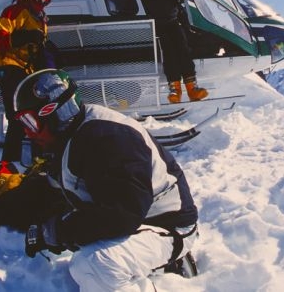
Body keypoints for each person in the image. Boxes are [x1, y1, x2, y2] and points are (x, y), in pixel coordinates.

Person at [14, 69, 199, 291]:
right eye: (22, 123)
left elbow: (122, 214)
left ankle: (164, 265)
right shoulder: (71, 135)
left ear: (58, 112)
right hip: (137, 217)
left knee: (95, 265)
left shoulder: (109, 138)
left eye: (30, 122)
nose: (28, 132)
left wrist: (60, 231)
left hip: (167, 225)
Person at [0, 0, 55, 162]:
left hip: (25, 72)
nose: (40, 3)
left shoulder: (41, 20)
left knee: (38, 114)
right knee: (18, 118)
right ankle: (9, 165)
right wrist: (24, 37)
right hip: (7, 66)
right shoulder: (15, 11)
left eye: (45, 1)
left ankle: (39, 161)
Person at [131, 0, 208, 104]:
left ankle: (193, 89)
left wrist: (185, 22)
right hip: (158, 26)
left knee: (184, 52)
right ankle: (175, 90)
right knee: (169, 56)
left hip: (173, 22)